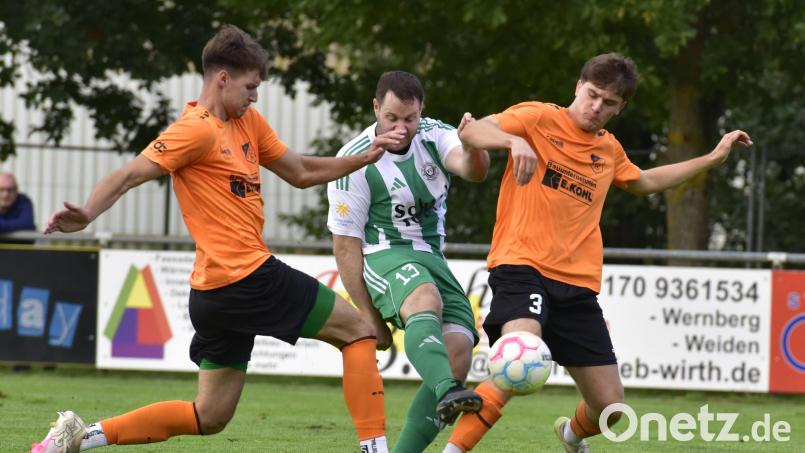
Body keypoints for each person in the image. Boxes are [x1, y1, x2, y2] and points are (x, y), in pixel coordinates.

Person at [30, 25, 405, 453]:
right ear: (221, 78)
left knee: (209, 416)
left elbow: (300, 172)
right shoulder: (196, 130)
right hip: (245, 276)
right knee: (358, 332)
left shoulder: (248, 123)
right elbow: (130, 173)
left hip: (213, 294)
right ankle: (376, 450)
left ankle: (78, 438)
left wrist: (365, 155)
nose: (255, 96)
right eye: (250, 86)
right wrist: (88, 213)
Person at [442, 53, 753, 453]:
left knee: (611, 410)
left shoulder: (609, 151)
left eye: (608, 103)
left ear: (621, 107)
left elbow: (643, 181)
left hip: (576, 286)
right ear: (578, 86)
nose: (595, 107)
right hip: (522, 266)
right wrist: (512, 139)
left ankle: (571, 436)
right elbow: (471, 133)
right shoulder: (537, 117)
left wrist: (713, 157)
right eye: (592, 95)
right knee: (520, 356)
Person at [327, 71, 490, 452]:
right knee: (424, 297)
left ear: (422, 111)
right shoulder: (353, 160)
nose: (402, 128)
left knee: (459, 351)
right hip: (383, 254)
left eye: (410, 119)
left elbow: (473, 171)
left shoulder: (435, 134)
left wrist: (473, 145)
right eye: (392, 118)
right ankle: (449, 389)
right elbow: (345, 245)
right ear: (375, 109)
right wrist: (368, 315)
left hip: (432, 256)